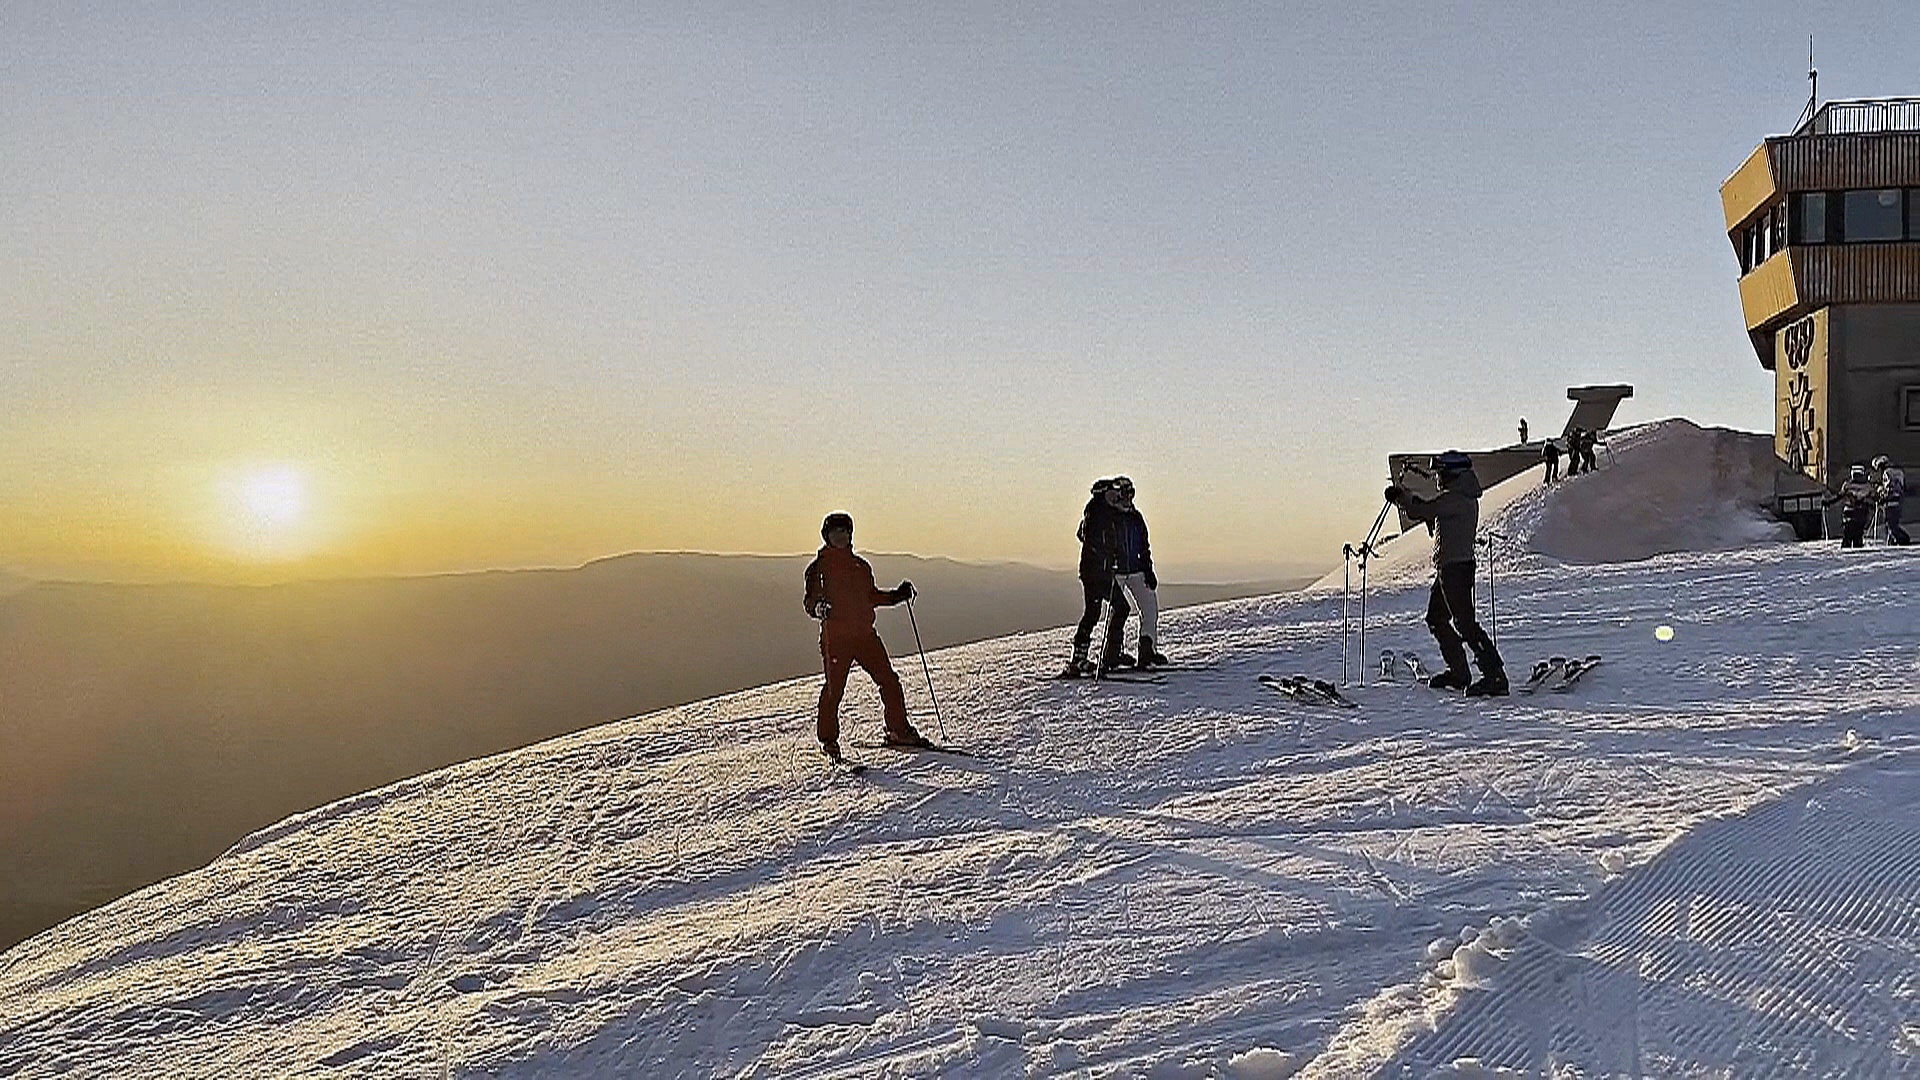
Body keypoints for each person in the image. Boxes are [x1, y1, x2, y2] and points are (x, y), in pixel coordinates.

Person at [803, 512, 930, 759]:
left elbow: (871, 597)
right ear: (827, 536)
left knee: (888, 681)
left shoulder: (860, 567)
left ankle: (897, 730)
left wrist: (896, 596)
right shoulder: (819, 570)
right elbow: (810, 602)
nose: (841, 537)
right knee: (834, 690)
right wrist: (819, 609)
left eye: (844, 532)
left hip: (864, 636)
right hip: (837, 640)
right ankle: (829, 740)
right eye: (836, 533)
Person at [1386, 450, 1508, 696]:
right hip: (1451, 568)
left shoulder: (1456, 498)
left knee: (1464, 624)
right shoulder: (1459, 497)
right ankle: (1460, 673)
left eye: (1441, 473)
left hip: (1455, 570)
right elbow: (1430, 510)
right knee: (1437, 618)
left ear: (1453, 475)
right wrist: (1406, 498)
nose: (1438, 477)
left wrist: (1401, 496)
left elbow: (1423, 509)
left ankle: (1494, 676)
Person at [1063, 479, 1133, 676]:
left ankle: (1081, 658)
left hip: (1094, 572)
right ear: (1104, 493)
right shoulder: (1099, 513)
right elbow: (1096, 540)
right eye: (1112, 491)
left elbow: (1082, 535)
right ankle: (1108, 655)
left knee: (1095, 612)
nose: (1115, 495)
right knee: (1117, 608)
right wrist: (1110, 555)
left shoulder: (1095, 511)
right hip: (1098, 573)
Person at [1108, 477, 1168, 669]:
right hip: (1116, 571)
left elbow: (1144, 546)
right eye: (1125, 494)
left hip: (1136, 569)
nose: (1128, 499)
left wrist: (1148, 569)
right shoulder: (1107, 518)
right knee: (1119, 610)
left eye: (1130, 494)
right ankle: (1112, 653)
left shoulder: (1135, 518)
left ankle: (1147, 650)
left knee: (1150, 608)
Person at [1824, 465, 1878, 549]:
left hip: (1850, 513)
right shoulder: (1867, 486)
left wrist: (1829, 502)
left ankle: (1849, 550)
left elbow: (1839, 496)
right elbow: (1873, 498)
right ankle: (1856, 549)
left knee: (1849, 536)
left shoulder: (1848, 485)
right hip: (1859, 514)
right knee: (1856, 536)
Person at [1872, 455, 1910, 545]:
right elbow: (1904, 487)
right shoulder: (1899, 472)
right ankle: (1891, 542)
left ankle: (1904, 539)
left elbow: (1889, 488)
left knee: (1891, 526)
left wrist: (1881, 496)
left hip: (1890, 502)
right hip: (1899, 501)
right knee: (1892, 524)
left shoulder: (1887, 473)